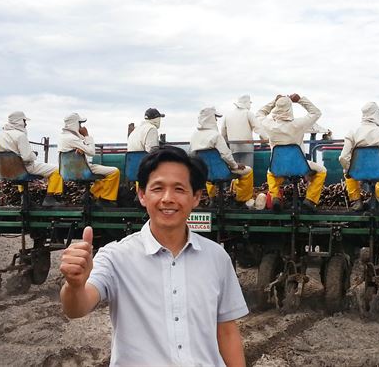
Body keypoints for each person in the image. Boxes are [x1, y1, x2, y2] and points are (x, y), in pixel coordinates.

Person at [59, 146, 248, 366]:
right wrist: (74, 285)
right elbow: (76, 308)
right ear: (142, 195)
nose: (168, 198)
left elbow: (226, 332)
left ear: (196, 197)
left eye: (179, 189)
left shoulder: (217, 258)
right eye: (157, 188)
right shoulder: (116, 257)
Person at [256, 93, 327, 212]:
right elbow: (316, 113)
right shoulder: (298, 124)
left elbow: (259, 114)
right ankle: (310, 200)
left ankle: (275, 197)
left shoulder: (270, 125)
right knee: (322, 171)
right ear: (290, 109)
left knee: (271, 172)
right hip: (300, 166)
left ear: (276, 108)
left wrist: (274, 101)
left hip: (278, 166)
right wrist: (300, 100)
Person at [0, 111, 63, 206]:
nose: (25, 124)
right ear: (20, 121)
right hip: (25, 168)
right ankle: (49, 198)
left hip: (6, 170)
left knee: (17, 171)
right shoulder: (20, 135)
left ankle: (24, 198)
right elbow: (27, 157)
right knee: (57, 170)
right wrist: (33, 154)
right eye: (24, 121)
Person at [190, 107, 254, 207]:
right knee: (248, 171)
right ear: (210, 118)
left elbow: (192, 156)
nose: (216, 120)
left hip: (205, 174)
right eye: (215, 117)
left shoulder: (194, 136)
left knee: (209, 173)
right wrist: (235, 166)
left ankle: (212, 199)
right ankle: (240, 200)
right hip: (222, 172)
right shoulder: (216, 136)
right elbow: (226, 155)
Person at [339, 102, 379, 210]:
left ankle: (356, 201)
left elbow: (343, 158)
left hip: (357, 172)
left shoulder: (353, 132)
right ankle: (376, 197)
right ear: (376, 115)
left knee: (346, 172)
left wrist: (349, 171)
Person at [58, 113, 120, 206]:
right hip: (82, 169)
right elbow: (91, 152)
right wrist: (87, 135)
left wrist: (81, 148)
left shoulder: (62, 137)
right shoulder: (72, 138)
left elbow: (77, 146)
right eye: (80, 124)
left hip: (69, 170)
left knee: (102, 175)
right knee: (114, 172)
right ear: (75, 124)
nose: (81, 126)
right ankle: (105, 199)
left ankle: (91, 194)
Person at [220, 94, 267, 167]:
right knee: (248, 172)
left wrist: (226, 145)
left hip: (233, 149)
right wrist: (267, 140)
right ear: (246, 103)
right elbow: (258, 129)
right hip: (247, 148)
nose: (250, 105)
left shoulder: (227, 115)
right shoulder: (248, 113)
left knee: (235, 171)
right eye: (250, 103)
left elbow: (223, 133)